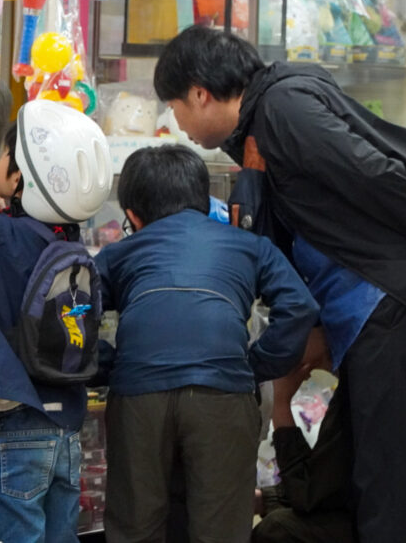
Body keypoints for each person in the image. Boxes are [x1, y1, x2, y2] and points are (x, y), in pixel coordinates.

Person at [153, 25, 406, 540]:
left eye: (174, 107)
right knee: (369, 477)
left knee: (390, 483)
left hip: (386, 305)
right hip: (365, 315)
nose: (176, 124)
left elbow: (372, 175)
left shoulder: (281, 108)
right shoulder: (261, 126)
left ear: (200, 93)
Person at [93, 144, 318, 542]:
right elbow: (299, 306)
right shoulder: (249, 245)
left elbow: (68, 314)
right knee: (221, 531)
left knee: (135, 529)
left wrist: (110, 364)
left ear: (133, 215)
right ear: (203, 198)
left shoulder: (118, 254)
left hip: (139, 398)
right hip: (223, 395)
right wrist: (254, 366)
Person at [0, 100, 112, 543]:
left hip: (19, 424)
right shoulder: (71, 244)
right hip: (66, 426)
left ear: (20, 177)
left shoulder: (3, 239)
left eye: (5, 155)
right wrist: (2, 206)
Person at [253, 327, 356, 543]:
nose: (284, 349)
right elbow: (326, 485)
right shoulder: (358, 373)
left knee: (276, 529)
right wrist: (265, 499)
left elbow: (309, 495)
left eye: (293, 330)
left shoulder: (357, 388)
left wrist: (281, 404)